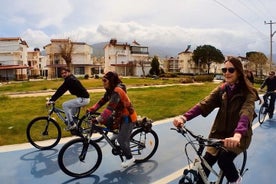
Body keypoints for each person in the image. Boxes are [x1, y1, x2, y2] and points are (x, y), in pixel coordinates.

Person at [173, 57, 256, 184]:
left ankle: (236, 180)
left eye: (231, 70)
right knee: (204, 167)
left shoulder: (248, 93)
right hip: (218, 134)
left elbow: (246, 112)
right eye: (224, 70)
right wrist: (184, 117)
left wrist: (237, 135)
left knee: (224, 160)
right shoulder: (222, 89)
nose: (226, 73)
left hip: (237, 137)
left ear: (238, 72)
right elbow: (204, 104)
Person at [87, 71, 137, 168]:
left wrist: (98, 119)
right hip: (118, 116)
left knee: (121, 140)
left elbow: (110, 108)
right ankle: (117, 132)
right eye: (102, 80)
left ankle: (130, 158)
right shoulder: (110, 89)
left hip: (128, 118)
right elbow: (102, 101)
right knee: (107, 120)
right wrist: (92, 109)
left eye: (105, 80)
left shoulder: (117, 91)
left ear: (111, 80)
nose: (103, 82)